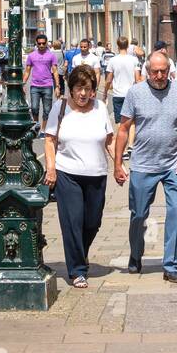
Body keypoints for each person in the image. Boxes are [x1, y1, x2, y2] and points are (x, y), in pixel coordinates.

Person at [114, 47, 177, 283]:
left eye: (163, 71)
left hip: (173, 164)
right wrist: (118, 164)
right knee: (138, 214)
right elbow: (123, 129)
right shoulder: (135, 93)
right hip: (143, 164)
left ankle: (170, 265)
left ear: (170, 70)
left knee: (176, 211)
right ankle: (136, 254)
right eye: (155, 72)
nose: (159, 76)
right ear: (147, 71)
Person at [44, 64, 114, 288]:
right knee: (73, 222)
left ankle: (80, 253)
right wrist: (51, 168)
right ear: (71, 89)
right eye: (78, 88)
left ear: (93, 89)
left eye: (87, 88)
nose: (83, 93)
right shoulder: (60, 107)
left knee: (93, 222)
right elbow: (49, 140)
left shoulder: (101, 108)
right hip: (68, 174)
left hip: (97, 173)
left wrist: (119, 165)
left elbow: (109, 140)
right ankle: (77, 270)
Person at [23, 33, 59, 135]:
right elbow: (27, 71)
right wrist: (23, 84)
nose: (41, 45)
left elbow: (55, 71)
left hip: (47, 85)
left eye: (43, 43)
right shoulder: (31, 56)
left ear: (46, 43)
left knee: (47, 110)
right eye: (39, 43)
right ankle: (36, 125)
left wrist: (57, 86)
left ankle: (43, 130)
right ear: (37, 44)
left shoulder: (51, 55)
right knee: (34, 108)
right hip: (35, 86)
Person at [101, 37, 142, 127]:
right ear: (127, 46)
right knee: (132, 122)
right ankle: (130, 141)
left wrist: (105, 93)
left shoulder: (113, 60)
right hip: (131, 94)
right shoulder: (134, 60)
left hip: (118, 94)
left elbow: (108, 80)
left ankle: (122, 140)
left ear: (118, 46)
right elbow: (138, 80)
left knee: (120, 122)